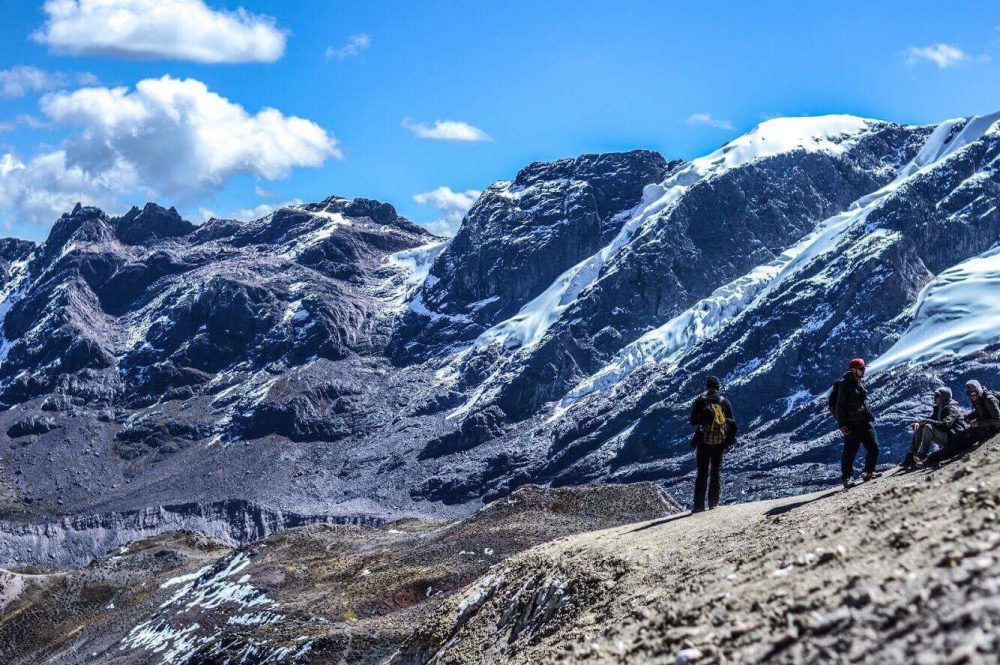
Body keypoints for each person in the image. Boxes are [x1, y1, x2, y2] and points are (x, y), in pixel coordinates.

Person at [689, 375, 738, 513]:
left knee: (702, 473)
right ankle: (713, 503)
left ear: (707, 386)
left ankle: (698, 506)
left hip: (703, 443)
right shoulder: (724, 402)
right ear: (718, 387)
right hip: (719, 444)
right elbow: (732, 423)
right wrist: (728, 441)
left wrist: (702, 420)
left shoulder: (700, 401)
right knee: (715, 471)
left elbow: (692, 421)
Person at [925, 380, 1000, 466]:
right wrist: (969, 416)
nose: (971, 397)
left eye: (972, 395)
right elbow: (982, 411)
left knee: (962, 442)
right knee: (959, 437)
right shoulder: (980, 397)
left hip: (991, 428)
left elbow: (998, 420)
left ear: (977, 390)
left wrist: (979, 423)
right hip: (986, 426)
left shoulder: (989, 399)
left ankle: (932, 459)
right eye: (969, 395)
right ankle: (933, 457)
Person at [834, 358, 879, 488]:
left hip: (864, 421)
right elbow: (839, 406)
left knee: (874, 447)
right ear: (853, 370)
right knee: (850, 452)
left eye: (864, 368)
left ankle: (868, 472)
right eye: (862, 369)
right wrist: (842, 425)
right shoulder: (844, 385)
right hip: (852, 424)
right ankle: (846, 479)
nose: (864, 371)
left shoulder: (860, 381)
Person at [901, 387, 965, 469]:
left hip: (952, 438)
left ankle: (922, 456)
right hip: (945, 435)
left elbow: (946, 425)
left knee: (928, 427)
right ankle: (911, 456)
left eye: (937, 396)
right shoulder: (939, 407)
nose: (934, 398)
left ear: (943, 397)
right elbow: (931, 419)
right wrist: (919, 423)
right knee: (921, 427)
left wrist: (927, 421)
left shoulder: (952, 408)